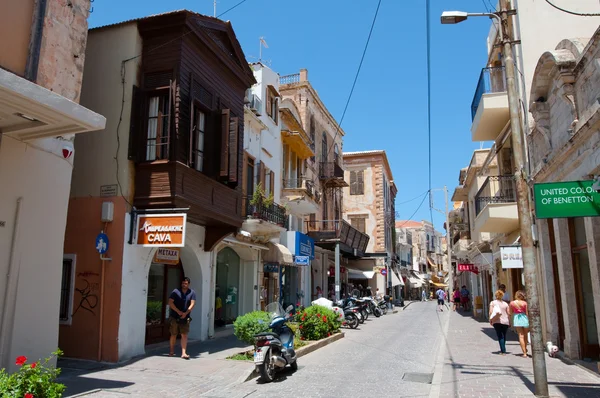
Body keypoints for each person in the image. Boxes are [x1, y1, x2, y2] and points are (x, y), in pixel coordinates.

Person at [168, 277, 196, 359]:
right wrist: (178, 311)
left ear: (189, 284)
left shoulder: (192, 292)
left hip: (185, 317)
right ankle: (171, 351)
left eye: (186, 283)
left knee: (184, 334)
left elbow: (193, 303)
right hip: (174, 316)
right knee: (173, 334)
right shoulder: (175, 291)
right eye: (183, 283)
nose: (184, 285)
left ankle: (184, 353)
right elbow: (170, 302)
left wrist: (186, 313)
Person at [489, 289, 511, 355]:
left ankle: (503, 351)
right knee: (503, 335)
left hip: (497, 321)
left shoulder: (493, 303)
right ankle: (503, 348)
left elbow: (490, 312)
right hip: (505, 321)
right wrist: (509, 321)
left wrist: (491, 320)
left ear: (496, 295)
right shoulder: (505, 304)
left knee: (500, 335)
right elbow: (509, 313)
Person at [510, 290, 530, 358]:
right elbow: (527, 313)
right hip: (524, 318)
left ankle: (524, 352)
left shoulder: (512, 303)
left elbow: (510, 312)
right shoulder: (525, 303)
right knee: (526, 335)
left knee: (520, 336)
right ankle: (525, 348)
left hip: (517, 319)